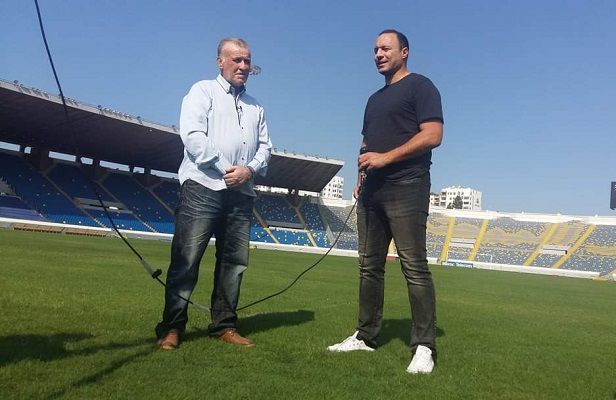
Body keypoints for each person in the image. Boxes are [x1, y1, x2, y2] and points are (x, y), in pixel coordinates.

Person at [327, 29, 443, 374]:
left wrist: (385, 158)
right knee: (368, 266)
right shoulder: (373, 99)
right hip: (372, 191)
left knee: (414, 267)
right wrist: (360, 176)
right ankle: (365, 336)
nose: (378, 54)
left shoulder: (421, 86)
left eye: (385, 48)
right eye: (375, 49)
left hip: (407, 187)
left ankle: (424, 346)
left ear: (404, 52)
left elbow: (433, 135)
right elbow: (366, 143)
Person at [155, 37, 272, 350]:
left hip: (242, 192)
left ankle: (224, 325)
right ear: (220, 62)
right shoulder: (202, 91)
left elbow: (265, 148)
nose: (243, 66)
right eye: (237, 60)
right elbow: (193, 136)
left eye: (247, 61)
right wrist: (227, 168)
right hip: (202, 187)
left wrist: (249, 171)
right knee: (186, 260)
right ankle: (171, 327)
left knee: (234, 263)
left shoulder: (256, 106)